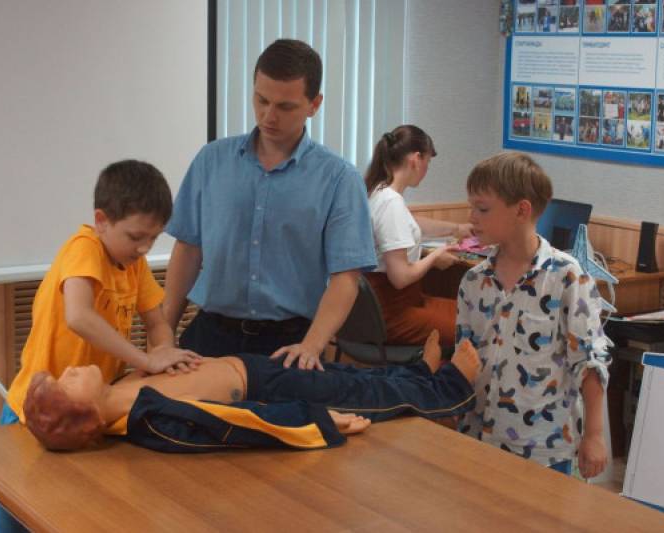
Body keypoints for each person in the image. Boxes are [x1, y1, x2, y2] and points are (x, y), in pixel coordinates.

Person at [0, 160, 198, 532]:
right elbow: (79, 316)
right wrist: (144, 359)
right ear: (101, 220)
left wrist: (163, 351)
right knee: (19, 512)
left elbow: (157, 323)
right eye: (135, 236)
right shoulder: (84, 248)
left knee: (71, 511)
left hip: (85, 414)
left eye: (153, 239)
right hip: (32, 410)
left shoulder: (133, 264)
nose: (144, 248)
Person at [163, 39, 375, 370]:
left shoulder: (338, 179)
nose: (269, 116)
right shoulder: (211, 161)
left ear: (314, 104)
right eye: (261, 100)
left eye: (285, 107)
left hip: (290, 344)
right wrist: (162, 336)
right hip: (210, 336)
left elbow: (346, 276)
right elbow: (188, 250)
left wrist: (312, 345)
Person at [23, 330, 480, 452]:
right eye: (69, 382)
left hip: (252, 366)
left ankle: (419, 373)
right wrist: (316, 422)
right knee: (356, 394)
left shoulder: (122, 387)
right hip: (265, 390)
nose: (71, 370)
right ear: (86, 414)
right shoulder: (145, 419)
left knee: (350, 378)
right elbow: (234, 424)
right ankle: (450, 390)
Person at [455, 152, 611, 479]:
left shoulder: (567, 277)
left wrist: (594, 435)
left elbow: (589, 361)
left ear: (521, 210)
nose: (472, 218)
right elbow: (463, 359)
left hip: (543, 449)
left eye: (482, 209)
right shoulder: (473, 281)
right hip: (477, 438)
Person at [364, 125, 472, 347]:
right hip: (393, 314)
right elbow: (401, 277)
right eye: (428, 162)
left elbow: (410, 223)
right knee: (473, 326)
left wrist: (456, 228)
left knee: (470, 312)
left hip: (384, 308)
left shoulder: (380, 193)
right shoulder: (391, 203)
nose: (427, 169)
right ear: (416, 159)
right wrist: (435, 257)